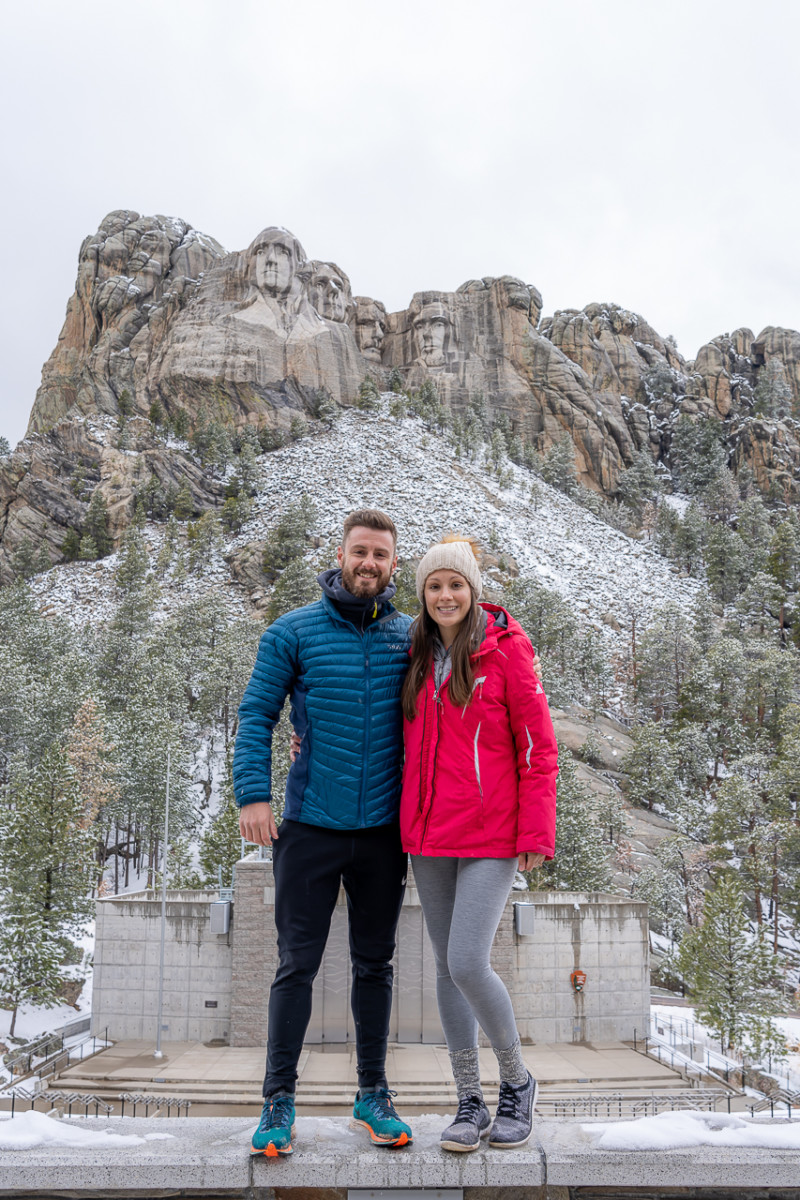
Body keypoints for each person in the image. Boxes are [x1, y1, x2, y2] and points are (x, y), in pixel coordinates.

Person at [233, 509, 414, 1157]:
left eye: (381, 556)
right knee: (295, 968)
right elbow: (256, 713)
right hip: (308, 827)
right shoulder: (292, 632)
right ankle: (277, 1100)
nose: (369, 564)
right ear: (340, 554)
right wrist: (253, 793)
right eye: (360, 552)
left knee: (375, 965)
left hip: (383, 835)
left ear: (396, 565)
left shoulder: (411, 639)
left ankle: (372, 1094)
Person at [400, 536, 558, 1153]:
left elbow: (538, 748)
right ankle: (469, 1100)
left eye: (456, 585)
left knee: (467, 960)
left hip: (492, 834)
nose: (445, 595)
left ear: (474, 591)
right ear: (424, 594)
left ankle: (517, 1083)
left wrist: (535, 833)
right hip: (429, 834)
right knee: (444, 966)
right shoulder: (414, 654)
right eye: (434, 586)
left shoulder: (508, 652)